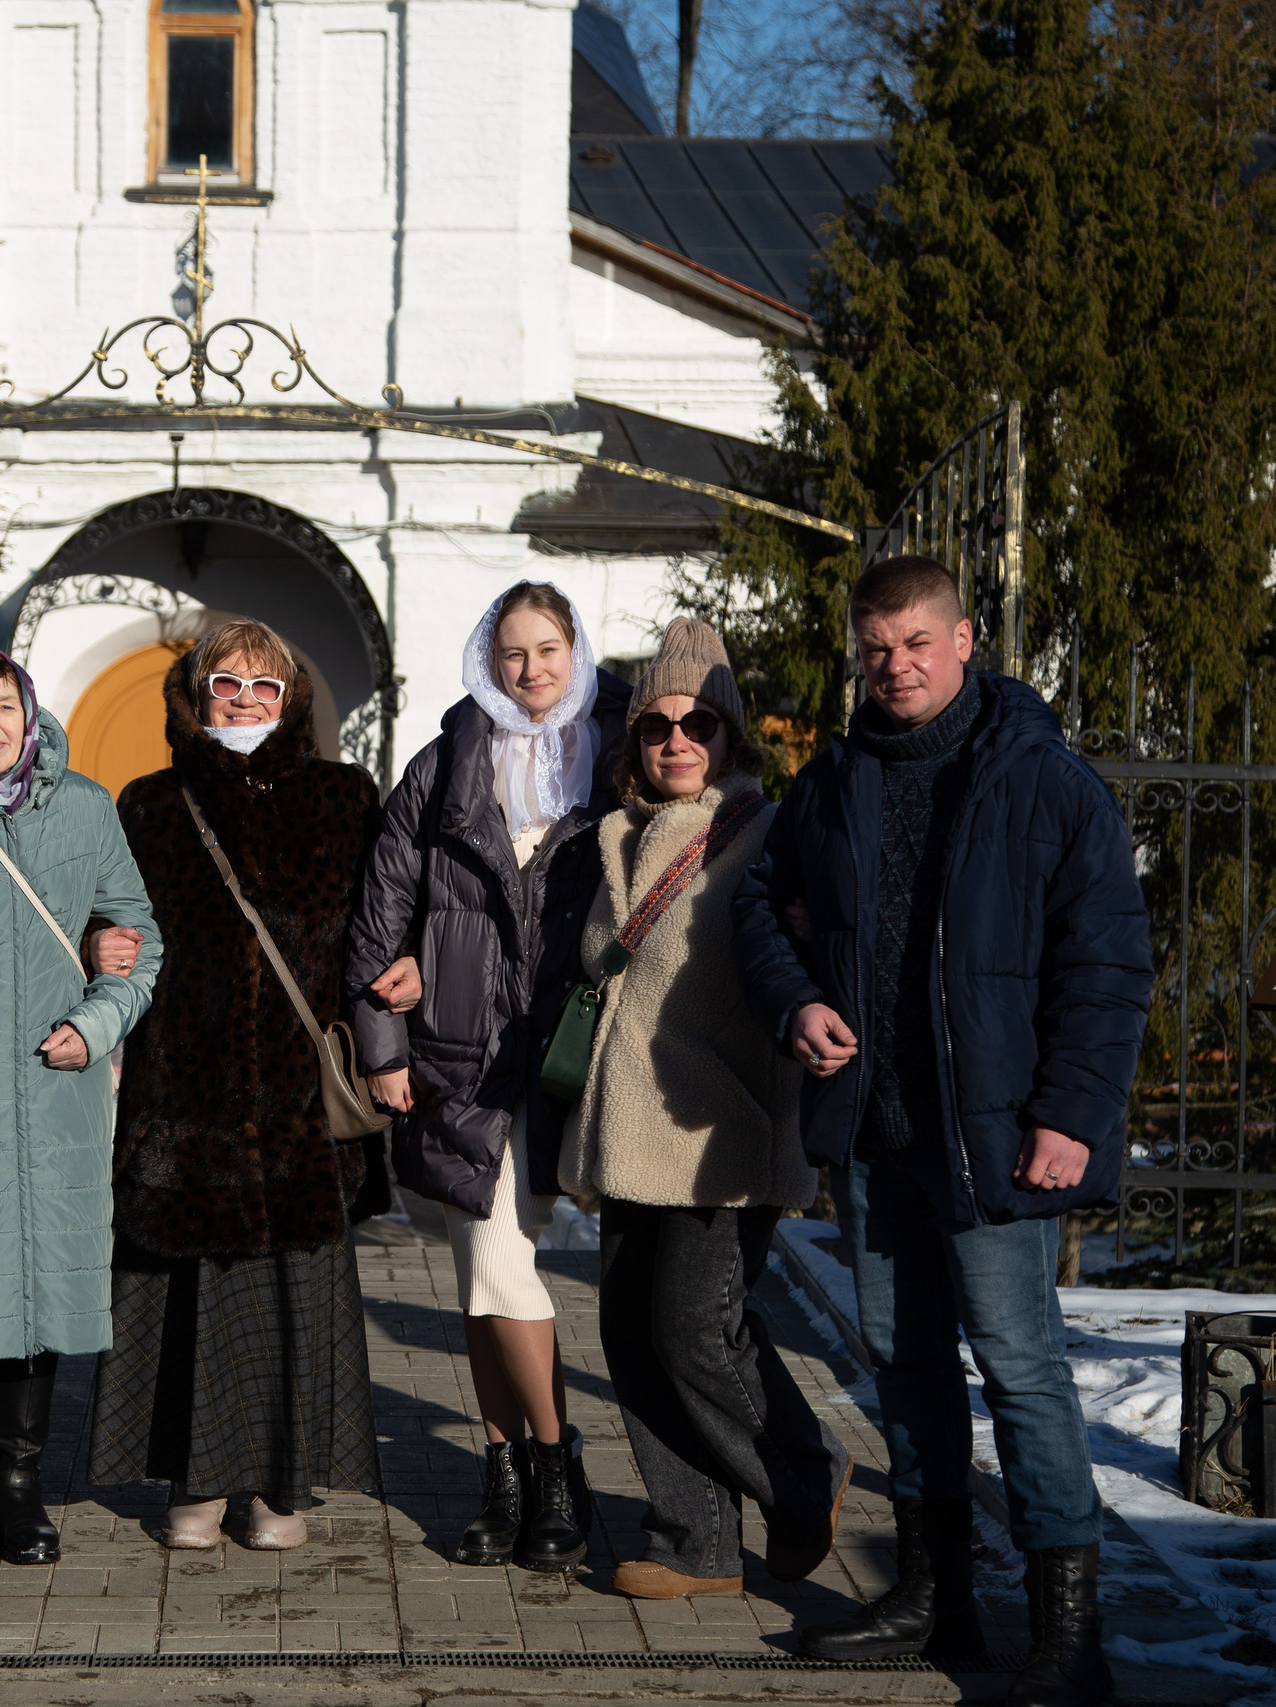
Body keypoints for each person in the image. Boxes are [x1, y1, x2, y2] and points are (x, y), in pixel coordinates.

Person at [732, 556, 1150, 1707]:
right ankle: (935, 1598)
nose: (896, 666)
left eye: (917, 642)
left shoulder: (1044, 783)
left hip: (1000, 1139)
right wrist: (796, 1001)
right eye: (876, 648)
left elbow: (1106, 967)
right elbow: (757, 909)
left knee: (1020, 1372)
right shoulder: (830, 784)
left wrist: (1069, 1115)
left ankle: (1068, 1630)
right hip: (879, 1131)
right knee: (903, 1368)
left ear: (966, 641)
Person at [555, 618, 851, 1600]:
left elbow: (806, 951)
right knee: (633, 1338)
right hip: (623, 1130)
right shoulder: (616, 835)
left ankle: (801, 1470)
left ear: (732, 739)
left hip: (723, 1134)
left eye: (700, 725)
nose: (677, 742)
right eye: (657, 726)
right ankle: (693, 1539)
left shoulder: (766, 835)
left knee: (695, 1331)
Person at [343, 580, 627, 1573]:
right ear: (486, 659)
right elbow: (379, 913)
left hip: (565, 1055)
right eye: (511, 653)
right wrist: (381, 1046)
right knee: (490, 1269)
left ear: (575, 650)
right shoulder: (445, 763)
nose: (530, 670)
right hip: (459, 1057)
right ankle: (539, 1467)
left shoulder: (619, 755)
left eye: (548, 649)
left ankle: (528, 1459)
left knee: (488, 1275)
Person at [85, 621, 383, 1551]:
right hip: (187, 1094)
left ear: (292, 698)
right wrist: (103, 944)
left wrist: (400, 977)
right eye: (227, 685)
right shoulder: (151, 803)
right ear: (194, 694)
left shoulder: (345, 799)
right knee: (191, 1302)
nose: (246, 702)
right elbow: (112, 919)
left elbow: (381, 921)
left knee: (293, 1299)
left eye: (265, 686)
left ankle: (280, 1489)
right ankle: (196, 1485)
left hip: (300, 1104)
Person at [0, 645, 163, 1567]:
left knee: (41, 1296)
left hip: (59, 1090)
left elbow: (140, 935)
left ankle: (22, 1488)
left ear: (27, 706)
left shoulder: (84, 807)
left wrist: (99, 1020)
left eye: (3, 704)